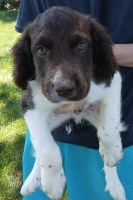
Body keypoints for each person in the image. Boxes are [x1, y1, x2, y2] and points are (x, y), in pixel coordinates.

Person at [15, 0, 133, 199]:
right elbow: (28, 48)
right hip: (47, 127)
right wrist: (47, 158)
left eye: (80, 44)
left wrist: (97, 51)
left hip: (118, 121)